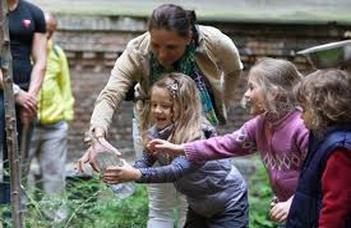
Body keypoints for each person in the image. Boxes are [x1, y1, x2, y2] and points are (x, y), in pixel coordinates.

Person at [77, 4, 242, 228]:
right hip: (152, 126)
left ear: (189, 36)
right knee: (160, 205)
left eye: (171, 47)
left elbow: (234, 69)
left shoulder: (213, 41)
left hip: (195, 126)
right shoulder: (136, 50)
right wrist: (97, 138)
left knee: (190, 202)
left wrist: (222, 104)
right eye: (156, 45)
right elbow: (110, 94)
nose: (162, 55)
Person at [148, 58, 309, 224]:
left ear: (273, 93)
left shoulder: (302, 128)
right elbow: (224, 144)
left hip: (311, 207)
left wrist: (293, 201)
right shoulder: (260, 125)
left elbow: (320, 177)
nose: (246, 94)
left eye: (252, 87)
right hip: (292, 208)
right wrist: (180, 149)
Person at [103, 73, 248, 228]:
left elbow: (177, 170)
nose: (157, 110)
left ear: (185, 107)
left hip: (229, 203)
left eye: (165, 106)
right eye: (154, 104)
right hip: (199, 207)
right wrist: (126, 171)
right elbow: (146, 160)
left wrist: (137, 175)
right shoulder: (156, 133)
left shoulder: (198, 134)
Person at [286, 69, 351, 228]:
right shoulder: (321, 137)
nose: (301, 116)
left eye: (304, 109)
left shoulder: (339, 149)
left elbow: (335, 208)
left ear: (322, 109)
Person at [27, 12, 74, 221]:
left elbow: (65, 87)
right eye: (45, 29)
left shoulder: (57, 53)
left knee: (55, 176)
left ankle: (56, 220)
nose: (48, 34)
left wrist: (66, 115)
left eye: (52, 31)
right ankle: (23, 217)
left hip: (54, 125)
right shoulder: (23, 52)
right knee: (21, 174)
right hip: (27, 125)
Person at [0, 0, 46, 205]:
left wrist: (30, 97)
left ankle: (10, 216)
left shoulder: (34, 13)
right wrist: (15, 92)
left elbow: (41, 61)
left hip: (25, 97)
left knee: (16, 162)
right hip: (6, 95)